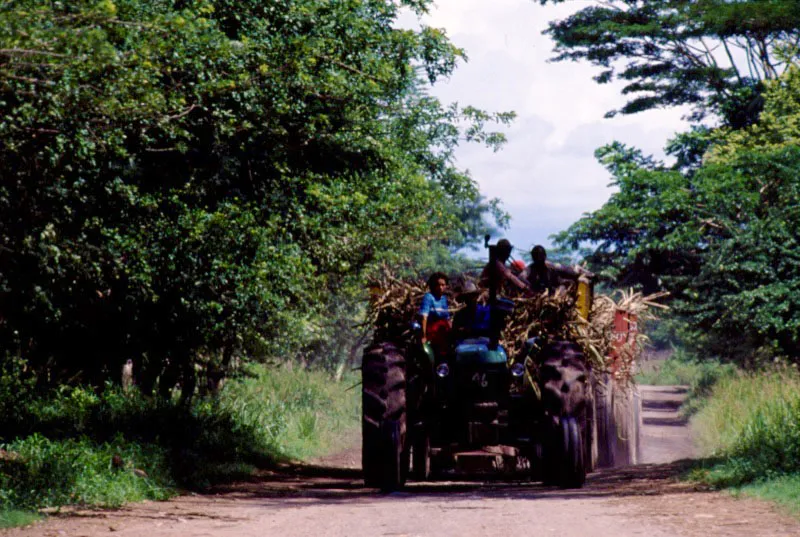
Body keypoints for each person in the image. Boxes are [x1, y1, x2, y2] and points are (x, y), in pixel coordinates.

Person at [419, 272, 452, 350]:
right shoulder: (428, 297)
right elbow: (424, 317)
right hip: (432, 330)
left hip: (443, 329)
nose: (440, 287)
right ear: (433, 286)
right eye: (438, 285)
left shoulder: (443, 299)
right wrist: (423, 336)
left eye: (443, 285)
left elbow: (447, 318)